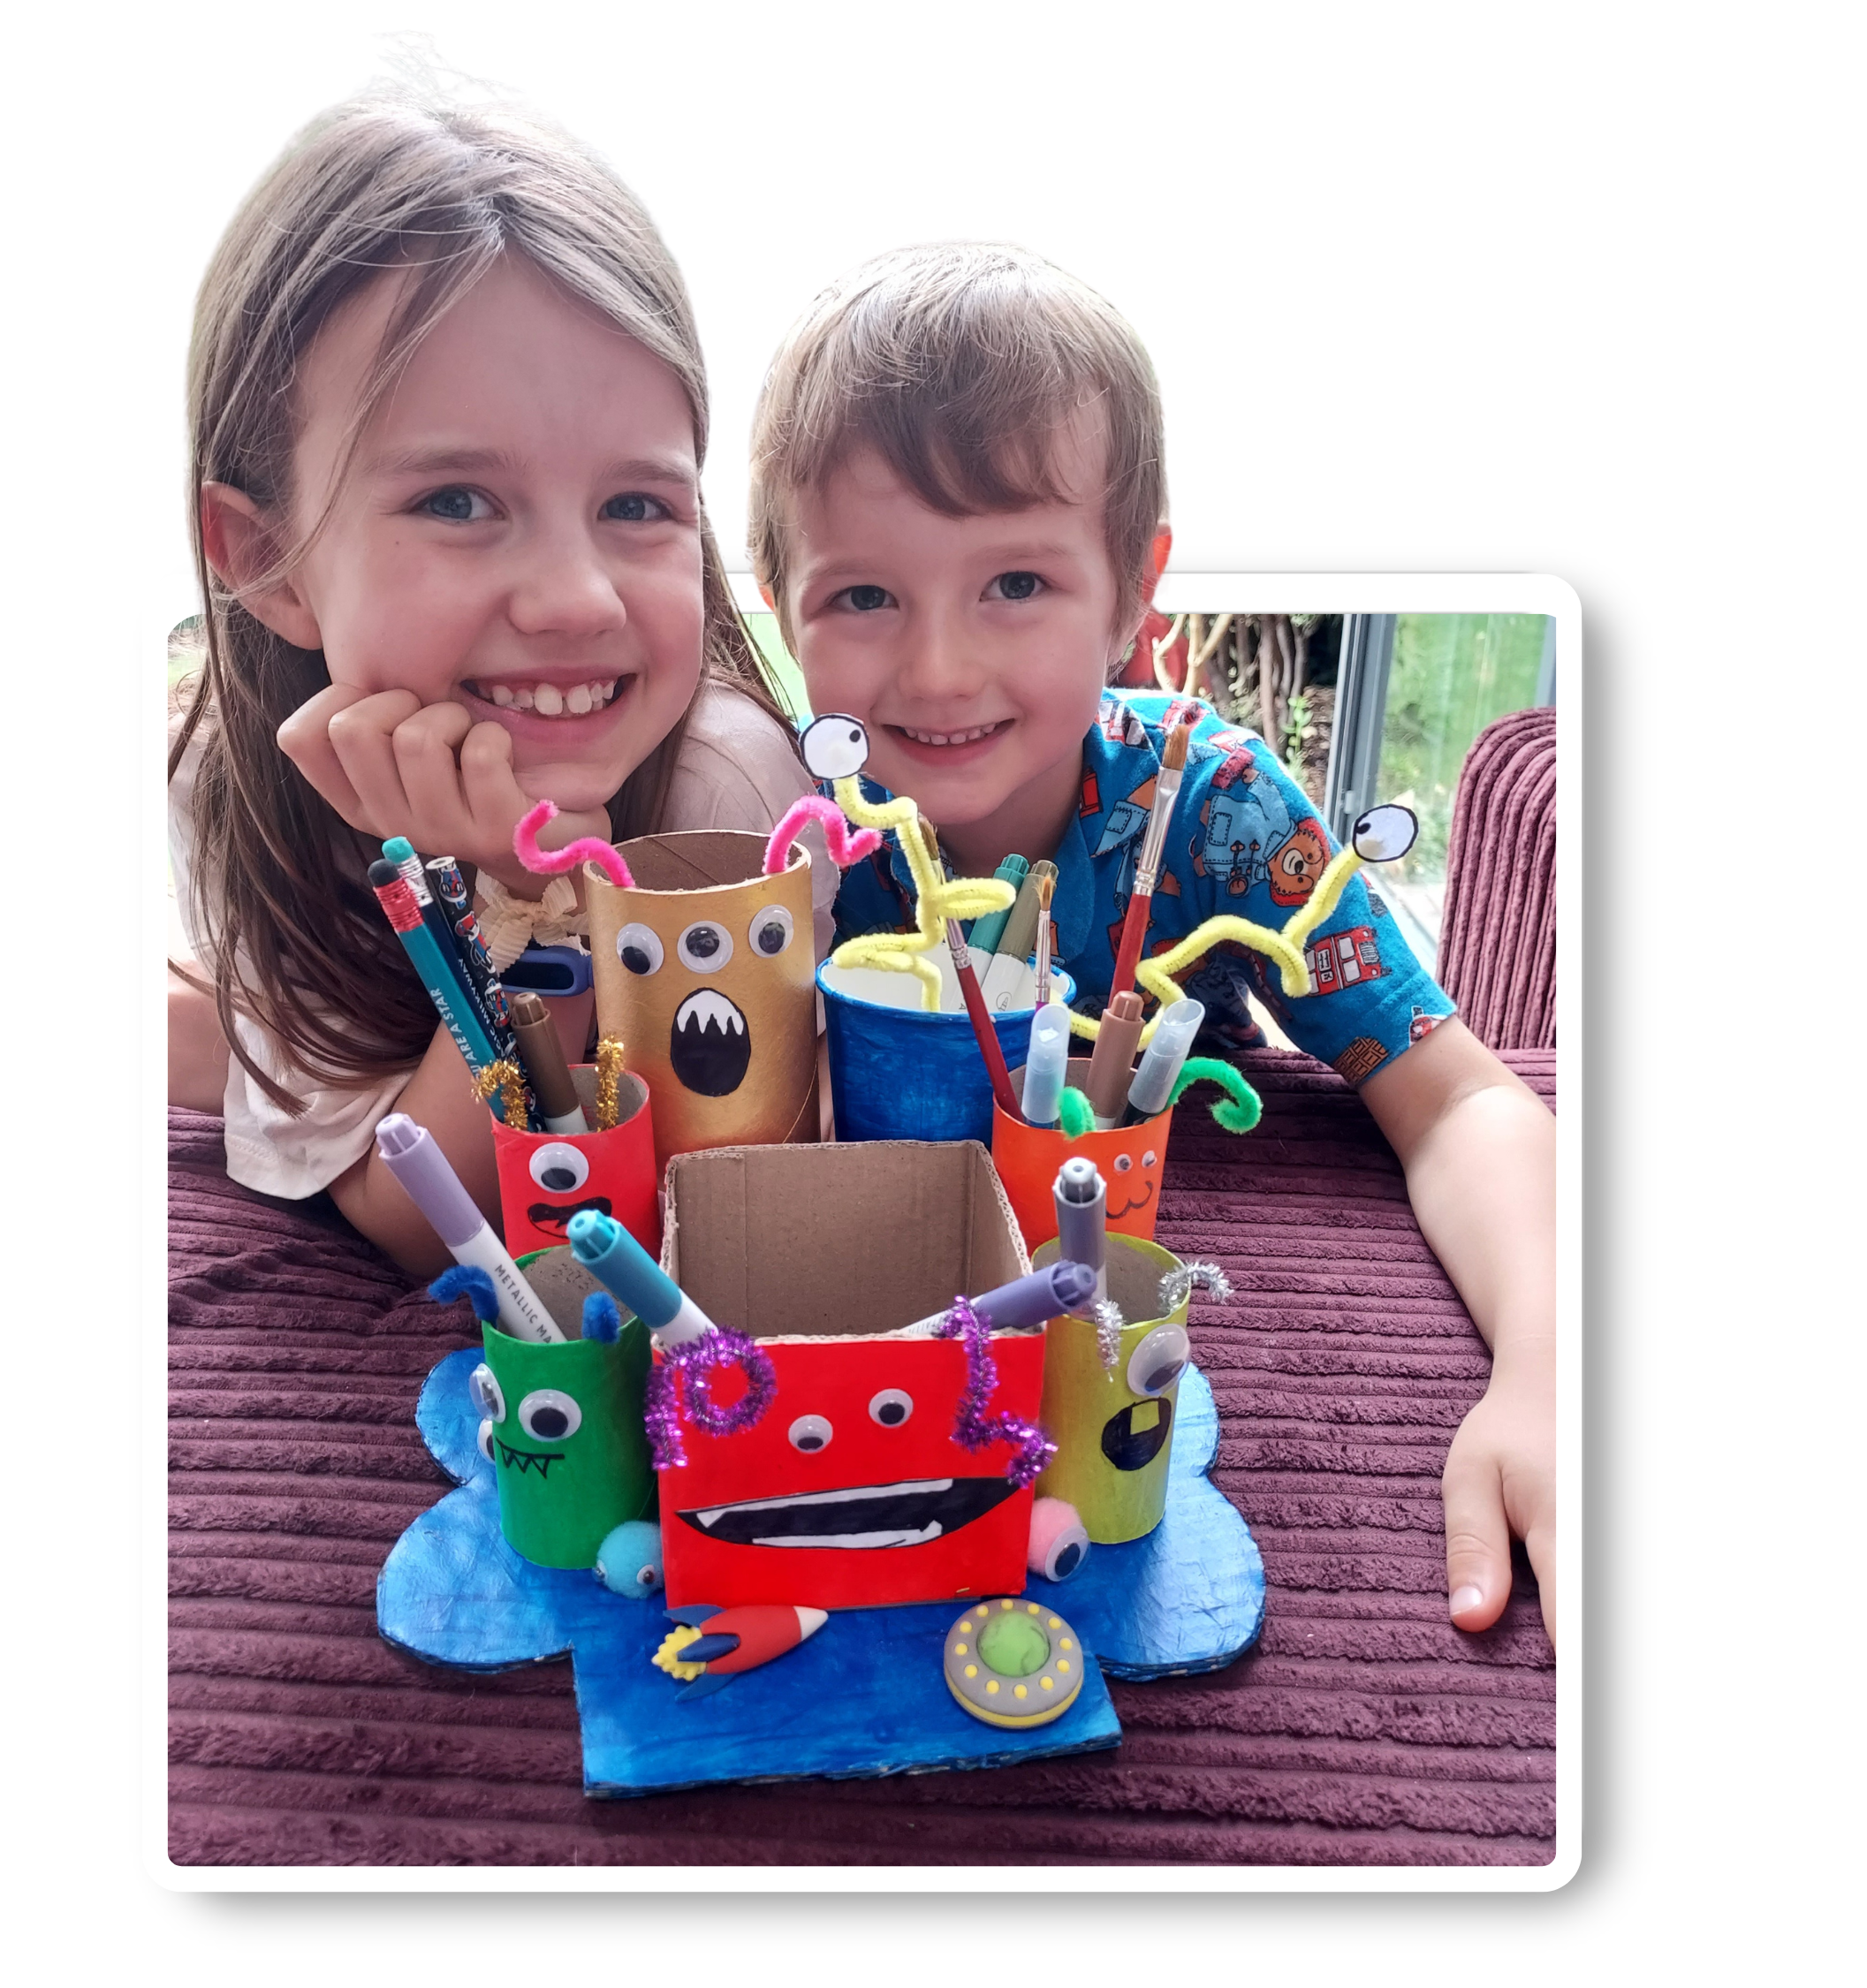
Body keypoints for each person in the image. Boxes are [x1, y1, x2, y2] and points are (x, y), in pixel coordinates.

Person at [743, 239, 1556, 1644]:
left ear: (1133, 591)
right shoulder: (775, 835)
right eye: (863, 597)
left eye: (1015, 585)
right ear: (776, 599)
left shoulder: (1222, 809)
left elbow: (1466, 1098)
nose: (937, 669)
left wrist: (1552, 1366)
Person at [167, 38, 829, 1275]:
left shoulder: (726, 799)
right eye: (459, 501)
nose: (577, 600)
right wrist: (510, 912)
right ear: (263, 556)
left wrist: (538, 893)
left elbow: (688, 1194)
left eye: (638, 506)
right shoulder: (240, 800)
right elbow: (416, 1226)